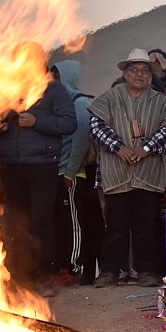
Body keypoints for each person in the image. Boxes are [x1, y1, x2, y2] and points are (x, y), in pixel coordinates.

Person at [89, 48, 166, 288]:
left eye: (144, 71)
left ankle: (147, 272)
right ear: (125, 73)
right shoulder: (110, 97)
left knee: (145, 225)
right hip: (116, 172)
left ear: (150, 75)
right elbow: (96, 125)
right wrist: (118, 147)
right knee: (115, 226)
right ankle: (109, 272)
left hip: (147, 173)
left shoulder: (160, 101)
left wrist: (147, 148)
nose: (139, 74)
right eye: (134, 70)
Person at [0, 47, 78, 295]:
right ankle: (20, 279)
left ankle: (43, 277)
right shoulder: (5, 92)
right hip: (11, 164)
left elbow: (69, 122)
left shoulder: (54, 90)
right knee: (16, 222)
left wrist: (37, 121)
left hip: (42, 164)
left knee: (41, 221)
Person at [49, 59, 100, 285]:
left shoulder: (79, 104)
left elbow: (80, 141)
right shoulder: (62, 103)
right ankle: (63, 265)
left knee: (74, 223)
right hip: (60, 172)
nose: (53, 81)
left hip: (73, 175)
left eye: (57, 76)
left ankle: (75, 267)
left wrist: (69, 173)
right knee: (61, 222)